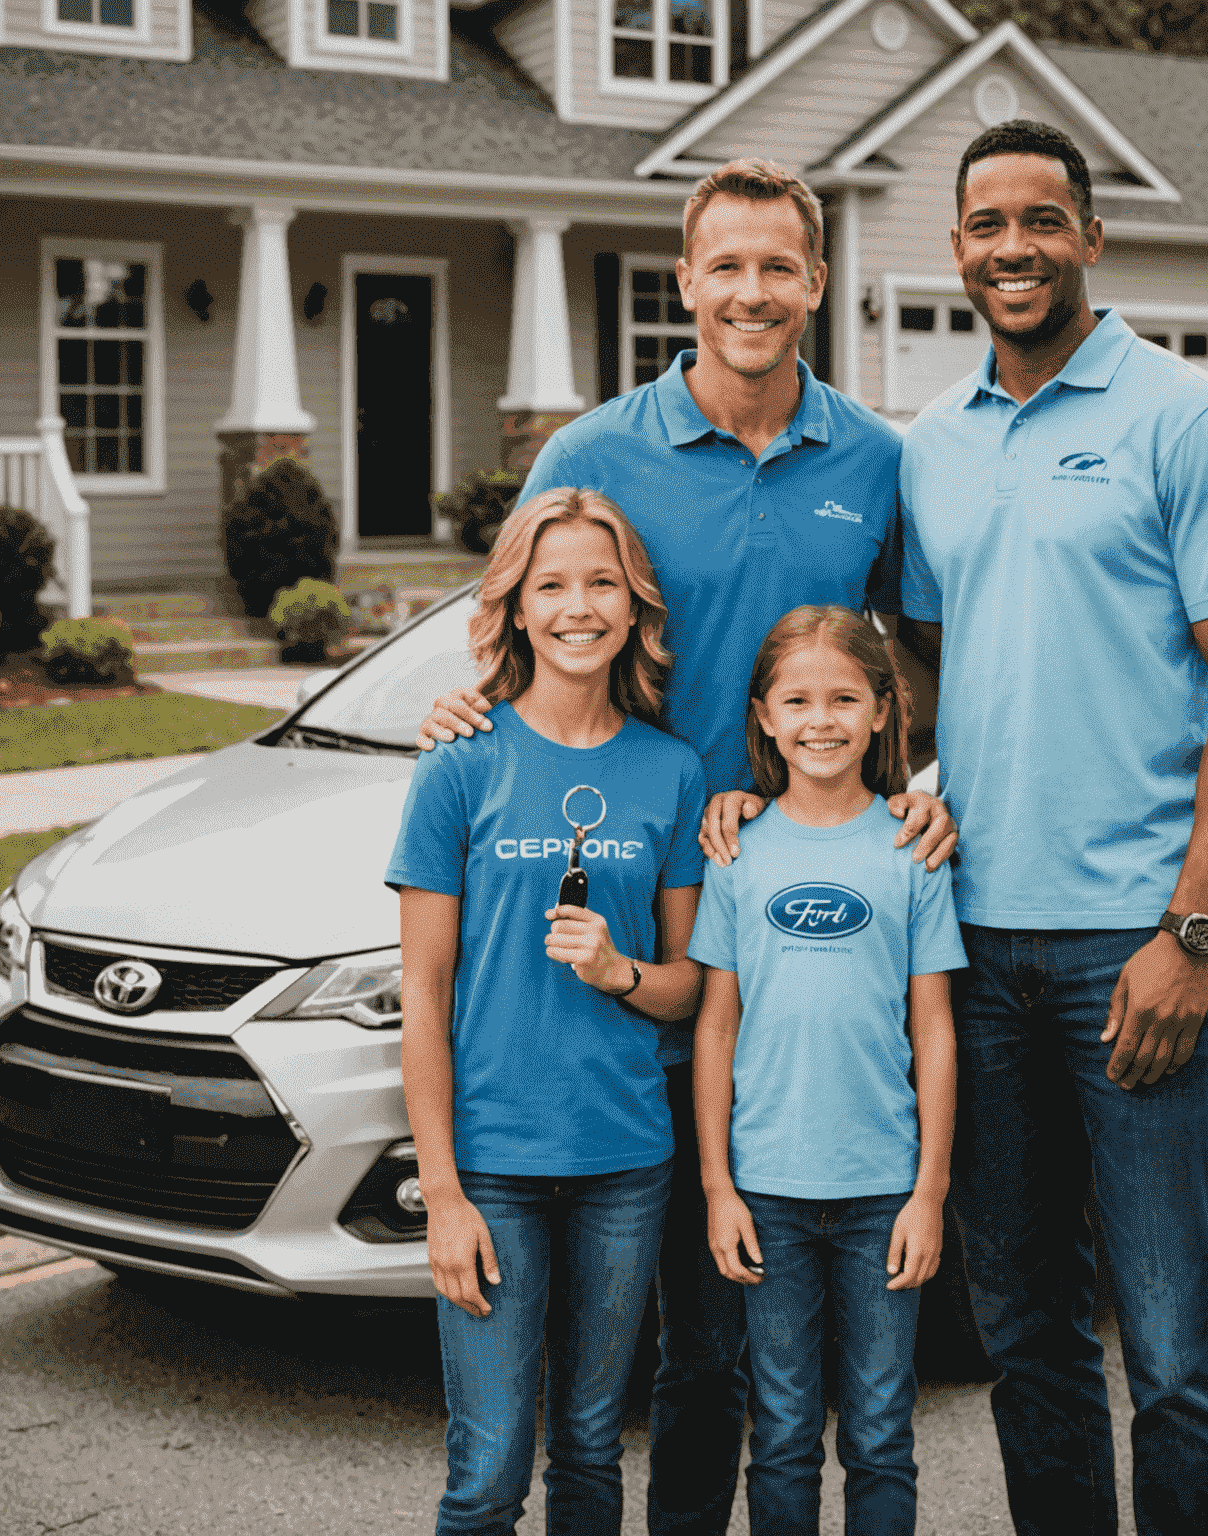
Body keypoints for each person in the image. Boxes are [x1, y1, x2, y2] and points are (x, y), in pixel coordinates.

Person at [415, 158, 956, 1535]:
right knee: (621, 1379)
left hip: (786, 968)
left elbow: (927, 666)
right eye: (727, 266)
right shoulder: (595, 451)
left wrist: (927, 785)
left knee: (726, 1350)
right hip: (622, 961)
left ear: (817, 284)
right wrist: (461, 710)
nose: (752, 292)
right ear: (686, 281)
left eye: (779, 267)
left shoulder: (878, 464)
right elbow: (528, 609)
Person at [898, 120, 1208, 1536]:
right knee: (1024, 1333)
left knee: (1177, 1346)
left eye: (1043, 220)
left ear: (1091, 237)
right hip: (977, 951)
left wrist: (1191, 930)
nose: (1015, 247)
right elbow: (929, 674)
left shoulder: (1185, 420)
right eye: (988, 224)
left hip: (1131, 950)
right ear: (956, 247)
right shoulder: (934, 446)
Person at [389, 488, 709, 1536]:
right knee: (487, 1474)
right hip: (492, 1168)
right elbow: (423, 1000)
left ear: (634, 609)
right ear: (517, 607)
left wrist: (620, 971)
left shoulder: (670, 769)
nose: (580, 606)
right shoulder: (459, 764)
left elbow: (689, 983)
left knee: (588, 1454)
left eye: (603, 584)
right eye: (554, 585)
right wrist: (440, 1192)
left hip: (625, 1161)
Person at [690, 605, 963, 1536]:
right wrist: (718, 1188)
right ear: (763, 716)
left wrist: (929, 1193)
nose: (822, 719)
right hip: (767, 1192)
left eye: (845, 697)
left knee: (882, 1431)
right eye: (797, 700)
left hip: (883, 1193)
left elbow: (934, 1031)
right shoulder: (737, 850)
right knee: (783, 1431)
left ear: (884, 710)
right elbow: (716, 1028)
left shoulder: (912, 848)